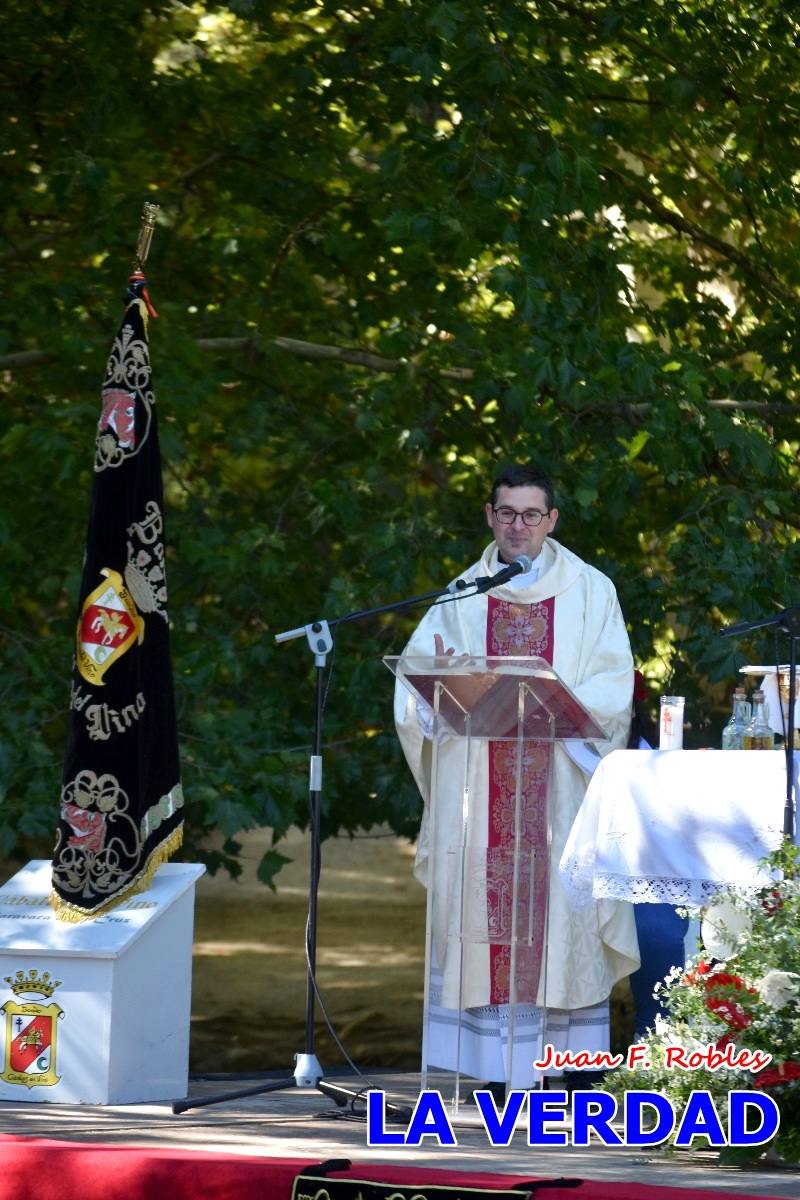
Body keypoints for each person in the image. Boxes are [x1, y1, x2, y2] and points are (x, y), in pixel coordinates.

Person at [394, 463, 640, 1090]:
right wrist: (437, 695)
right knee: (483, 914)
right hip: (479, 790)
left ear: (552, 520)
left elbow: (613, 692)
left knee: (561, 917)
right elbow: (416, 686)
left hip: (558, 789)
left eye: (532, 514)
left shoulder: (590, 591)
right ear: (489, 517)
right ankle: (489, 1070)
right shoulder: (462, 592)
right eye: (507, 513)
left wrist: (550, 706)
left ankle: (563, 1072)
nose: (519, 526)